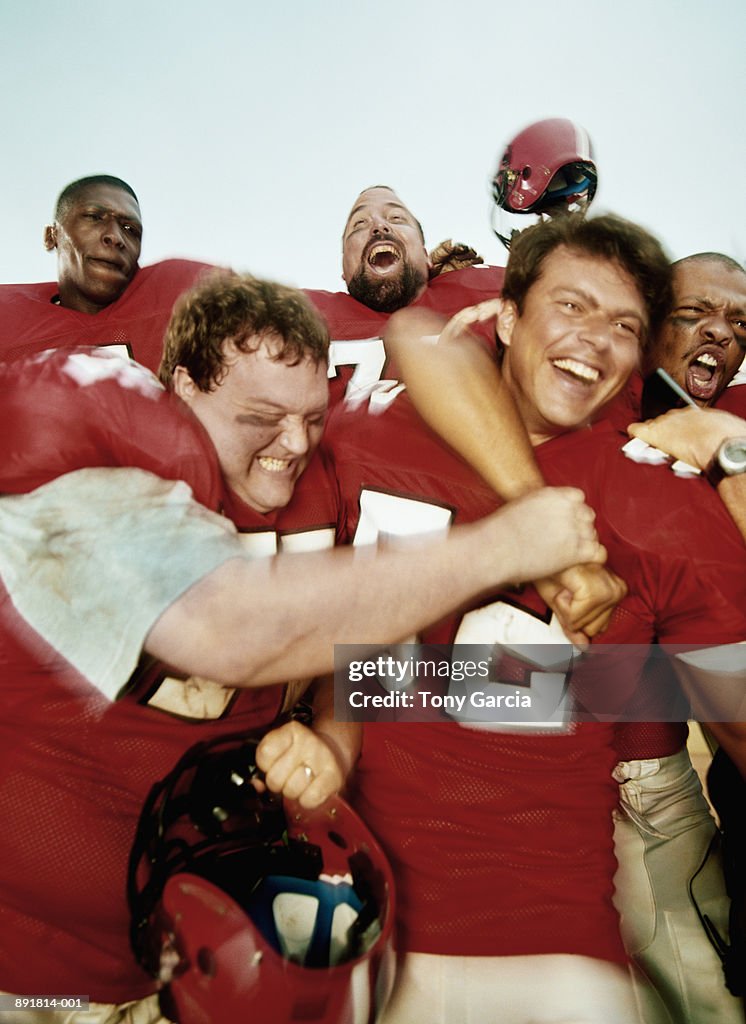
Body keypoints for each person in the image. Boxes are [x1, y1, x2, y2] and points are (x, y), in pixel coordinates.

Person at [0, 270, 603, 1023]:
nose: (294, 443)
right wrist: (508, 543)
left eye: (312, 416)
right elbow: (226, 630)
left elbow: (419, 342)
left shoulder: (322, 463)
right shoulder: (86, 462)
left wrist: (333, 736)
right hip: (29, 977)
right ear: (180, 386)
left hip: (195, 963)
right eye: (261, 417)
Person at [322, 213, 746, 1024]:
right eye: (573, 307)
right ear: (502, 314)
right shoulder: (372, 424)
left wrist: (728, 447)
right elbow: (416, 332)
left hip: (560, 912)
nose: (596, 338)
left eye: (623, 323)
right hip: (365, 905)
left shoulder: (669, 497)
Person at [0, 174, 214, 373]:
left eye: (130, 229)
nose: (115, 236)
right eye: (94, 217)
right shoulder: (8, 323)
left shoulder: (183, 306)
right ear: (51, 236)